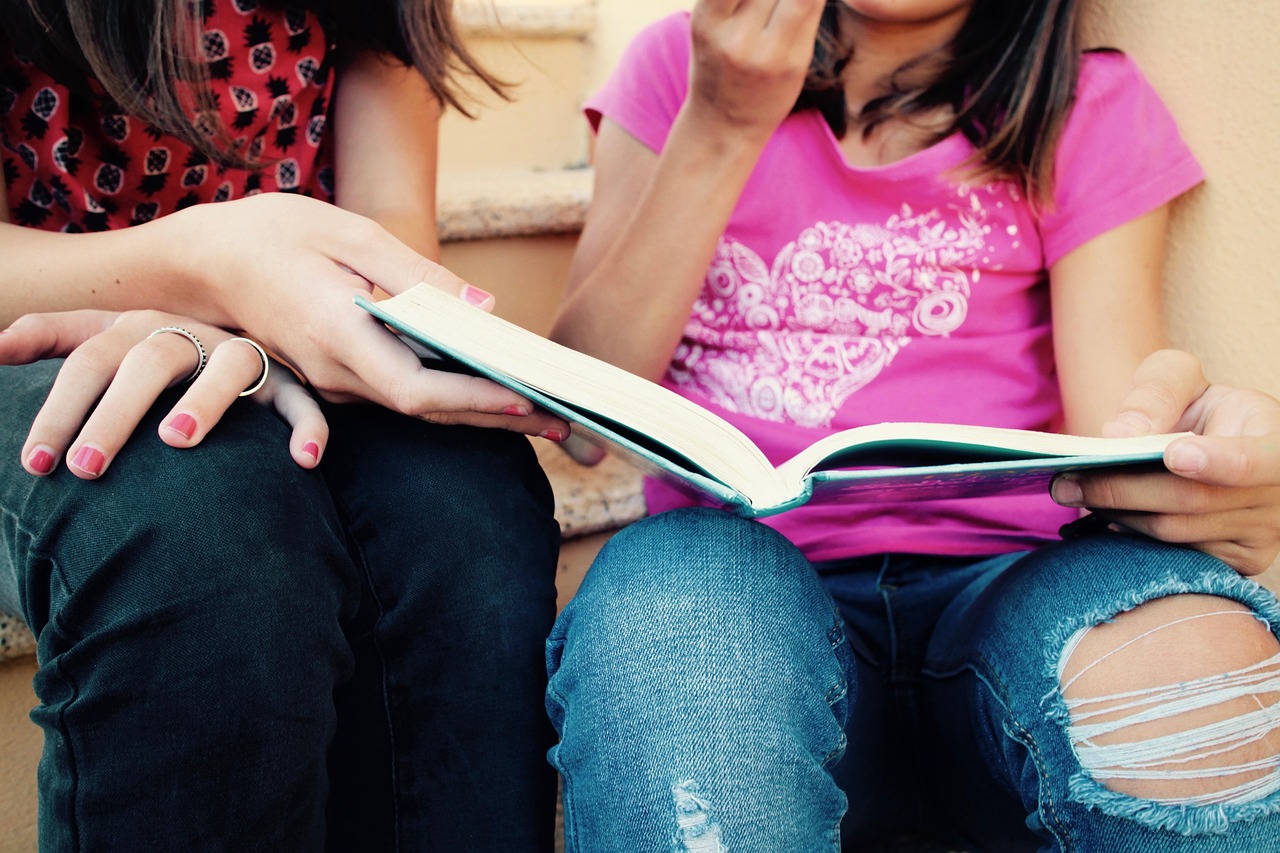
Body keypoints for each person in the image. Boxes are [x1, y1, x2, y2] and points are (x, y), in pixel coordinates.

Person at [545, 0, 1280, 850]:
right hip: (734, 577)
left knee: (1190, 664)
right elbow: (582, 418)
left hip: (1012, 589)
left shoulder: (1081, 101)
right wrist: (721, 121)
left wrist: (1200, 466)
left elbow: (1115, 437)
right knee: (673, 634)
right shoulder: (680, 67)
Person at [0, 1, 569, 850]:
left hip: (276, 342)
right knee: (192, 520)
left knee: (466, 504)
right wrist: (206, 270)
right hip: (35, 330)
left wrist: (288, 326)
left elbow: (388, 233)